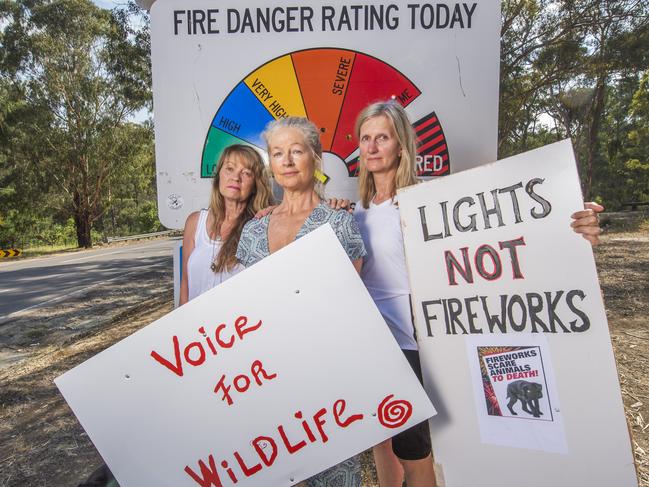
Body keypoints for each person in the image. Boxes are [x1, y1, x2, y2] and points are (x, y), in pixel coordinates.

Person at [351, 99, 604, 487]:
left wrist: (568, 217)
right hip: (371, 345)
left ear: (400, 144)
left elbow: (502, 233)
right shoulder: (354, 212)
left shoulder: (430, 203)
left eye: (381, 137)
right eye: (365, 138)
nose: (371, 147)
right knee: (384, 442)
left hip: (416, 345)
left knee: (418, 453)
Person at [236, 117, 366, 487]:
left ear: (316, 158)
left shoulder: (338, 222)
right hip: (265, 375)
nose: (287, 160)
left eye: (296, 151)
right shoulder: (254, 228)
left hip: (323, 374)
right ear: (271, 164)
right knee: (273, 473)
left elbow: (352, 307)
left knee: (333, 474)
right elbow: (242, 307)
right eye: (278, 153)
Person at [179, 144, 273, 305]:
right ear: (219, 176)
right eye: (230, 169)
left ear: (255, 185)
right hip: (197, 327)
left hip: (239, 327)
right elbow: (185, 285)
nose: (236, 177)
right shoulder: (195, 222)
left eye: (246, 173)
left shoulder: (263, 226)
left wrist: (327, 207)